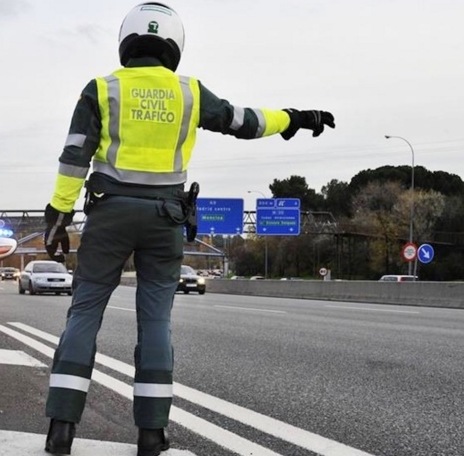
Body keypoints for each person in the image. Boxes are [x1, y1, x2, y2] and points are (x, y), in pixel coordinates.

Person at [42, 3, 335, 455]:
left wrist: (58, 217)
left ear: (126, 41)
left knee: (84, 314)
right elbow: (244, 121)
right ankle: (152, 433)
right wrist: (295, 118)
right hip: (165, 220)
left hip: (109, 215)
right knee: (155, 322)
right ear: (174, 45)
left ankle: (61, 427)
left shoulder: (101, 89)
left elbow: (74, 156)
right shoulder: (189, 92)